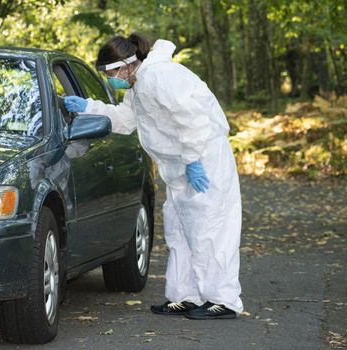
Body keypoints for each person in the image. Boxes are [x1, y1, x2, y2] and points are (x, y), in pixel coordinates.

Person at [64, 33, 243, 319]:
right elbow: (126, 120)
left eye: (111, 72)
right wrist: (89, 107)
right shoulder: (138, 87)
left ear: (127, 65)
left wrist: (194, 160)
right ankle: (185, 296)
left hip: (204, 161)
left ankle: (223, 300)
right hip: (179, 167)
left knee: (210, 229)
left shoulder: (161, 76)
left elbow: (193, 119)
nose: (111, 78)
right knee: (180, 231)